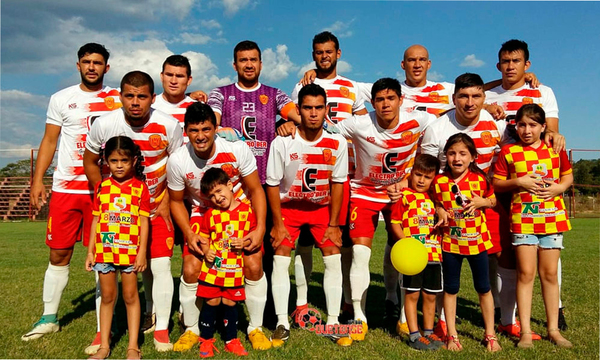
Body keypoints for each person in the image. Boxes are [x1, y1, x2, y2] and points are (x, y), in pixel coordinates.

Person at [22, 43, 122, 355]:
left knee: (103, 260)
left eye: (98, 63)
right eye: (86, 62)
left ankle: (99, 329)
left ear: (107, 67)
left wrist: (195, 96)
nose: (92, 67)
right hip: (66, 189)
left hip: (104, 191)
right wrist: (38, 179)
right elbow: (50, 139)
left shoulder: (119, 97)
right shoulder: (61, 98)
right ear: (78, 65)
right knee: (58, 255)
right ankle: (49, 318)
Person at [205, 40, 299, 350]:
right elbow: (213, 117)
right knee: (220, 251)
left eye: (254, 60)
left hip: (264, 187)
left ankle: (267, 315)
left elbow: (294, 113)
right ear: (234, 64)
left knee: (263, 254)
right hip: (230, 190)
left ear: (261, 63)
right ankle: (213, 311)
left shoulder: (274, 94)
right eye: (243, 60)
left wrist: (287, 122)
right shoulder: (222, 92)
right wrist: (219, 128)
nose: (248, 64)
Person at [328, 77, 436, 341]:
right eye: (379, 99)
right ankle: (359, 315)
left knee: (402, 251)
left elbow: (444, 126)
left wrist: (408, 177)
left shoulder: (420, 120)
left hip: (400, 196)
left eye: (390, 98)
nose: (385, 104)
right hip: (364, 193)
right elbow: (325, 130)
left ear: (401, 99)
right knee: (360, 255)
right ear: (372, 103)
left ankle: (397, 310)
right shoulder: (359, 123)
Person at [83, 71, 184, 351]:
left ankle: (161, 328)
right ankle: (103, 330)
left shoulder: (169, 125)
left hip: (158, 205)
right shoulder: (104, 124)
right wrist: (107, 193)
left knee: (160, 266)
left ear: (153, 98)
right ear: (120, 97)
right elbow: (90, 160)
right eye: (129, 96)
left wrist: (167, 200)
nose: (135, 102)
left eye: (142, 97)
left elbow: (179, 164)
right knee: (105, 268)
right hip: (117, 214)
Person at [167, 102, 266, 352]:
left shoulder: (235, 149)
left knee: (253, 266)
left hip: (239, 216)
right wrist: (190, 233)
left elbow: (255, 189)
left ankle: (255, 327)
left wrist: (260, 227)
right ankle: (191, 328)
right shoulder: (178, 159)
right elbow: (176, 201)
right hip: (203, 218)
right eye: (193, 130)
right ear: (186, 131)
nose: (200, 136)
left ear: (215, 128)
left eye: (206, 129)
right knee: (191, 268)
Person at [485, 39, 568, 334]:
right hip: (503, 176)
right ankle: (503, 311)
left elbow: (553, 132)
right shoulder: (488, 93)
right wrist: (485, 99)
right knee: (504, 252)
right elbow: (466, 93)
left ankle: (555, 310)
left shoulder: (542, 91)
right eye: (505, 62)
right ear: (498, 65)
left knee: (547, 248)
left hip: (537, 182)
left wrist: (557, 140)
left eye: (516, 62)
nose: (510, 67)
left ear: (527, 65)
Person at [290, 31, 367, 328]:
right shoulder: (305, 84)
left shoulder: (351, 88)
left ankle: (348, 301)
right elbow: (293, 116)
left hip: (344, 173)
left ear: (338, 53)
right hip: (311, 173)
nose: (324, 56)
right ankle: (301, 303)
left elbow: (361, 125)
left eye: (329, 51)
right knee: (305, 244)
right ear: (313, 54)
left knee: (343, 243)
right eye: (318, 52)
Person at [266, 84, 350, 346]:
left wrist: (334, 224)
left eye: (318, 108)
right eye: (307, 108)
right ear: (299, 110)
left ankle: (334, 322)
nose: (313, 113)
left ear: (326, 110)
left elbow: (338, 183)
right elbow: (271, 183)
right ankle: (282, 322)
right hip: (288, 209)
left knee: (334, 258)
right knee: (280, 260)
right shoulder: (282, 141)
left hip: (320, 209)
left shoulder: (337, 142)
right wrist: (278, 224)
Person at [493, 104, 573, 349]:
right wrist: (519, 181)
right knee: (526, 274)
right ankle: (525, 331)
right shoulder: (508, 151)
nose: (527, 130)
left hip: (552, 218)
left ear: (543, 127)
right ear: (515, 126)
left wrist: (560, 188)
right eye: (522, 125)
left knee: (549, 274)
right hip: (523, 220)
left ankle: (553, 330)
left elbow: (567, 176)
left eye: (532, 125)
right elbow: (496, 183)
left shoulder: (554, 149)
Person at [138, 54, 196, 337]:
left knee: (190, 253)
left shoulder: (197, 106)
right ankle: (152, 310)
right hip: (155, 194)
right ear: (161, 76)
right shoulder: (149, 103)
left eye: (180, 76)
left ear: (189, 80)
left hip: (189, 195)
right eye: (169, 75)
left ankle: (188, 309)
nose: (174, 80)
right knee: (152, 258)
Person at [432, 133, 501, 352]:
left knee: (483, 288)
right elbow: (432, 201)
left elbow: (493, 199)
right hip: (450, 245)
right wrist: (439, 209)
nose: (457, 158)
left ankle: (490, 334)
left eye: (462, 153)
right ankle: (452, 335)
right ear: (446, 156)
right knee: (451, 289)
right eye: (451, 153)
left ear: (472, 157)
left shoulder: (480, 179)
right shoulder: (439, 181)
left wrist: (485, 202)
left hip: (477, 244)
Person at [84, 136, 150, 360]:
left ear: (133, 161)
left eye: (124, 160)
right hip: (105, 252)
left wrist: (141, 253)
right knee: (108, 297)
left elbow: (143, 222)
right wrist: (91, 251)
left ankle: (133, 347)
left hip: (130, 252)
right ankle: (104, 345)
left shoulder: (140, 189)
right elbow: (96, 220)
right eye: (113, 161)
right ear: (106, 161)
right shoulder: (102, 187)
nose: (119, 165)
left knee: (131, 297)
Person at [194, 167, 255, 358]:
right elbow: (203, 236)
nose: (217, 198)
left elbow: (252, 236)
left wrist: (243, 242)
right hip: (214, 269)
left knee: (230, 302)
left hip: (234, 269)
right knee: (211, 301)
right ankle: (205, 339)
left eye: (219, 191)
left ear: (230, 186)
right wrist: (206, 251)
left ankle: (231, 339)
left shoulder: (247, 211)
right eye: (212, 196)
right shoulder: (211, 215)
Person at [389, 154, 444, 351]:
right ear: (411, 174)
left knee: (430, 296)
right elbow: (395, 222)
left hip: (433, 255)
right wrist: (405, 244)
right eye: (418, 174)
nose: (421, 180)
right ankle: (414, 335)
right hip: (412, 257)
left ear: (434, 179)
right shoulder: (404, 196)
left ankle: (428, 333)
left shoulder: (436, 200)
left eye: (427, 177)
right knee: (411, 295)